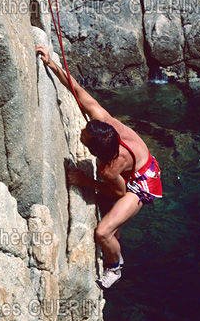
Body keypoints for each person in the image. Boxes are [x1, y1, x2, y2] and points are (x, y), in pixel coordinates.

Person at [36, 45, 162, 289]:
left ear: (97, 152)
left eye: (84, 134)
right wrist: (52, 64)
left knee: (103, 232)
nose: (82, 130)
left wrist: (86, 181)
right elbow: (78, 91)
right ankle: (116, 232)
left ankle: (115, 266)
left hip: (141, 183)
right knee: (109, 218)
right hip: (137, 163)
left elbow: (119, 191)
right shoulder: (103, 121)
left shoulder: (110, 168)